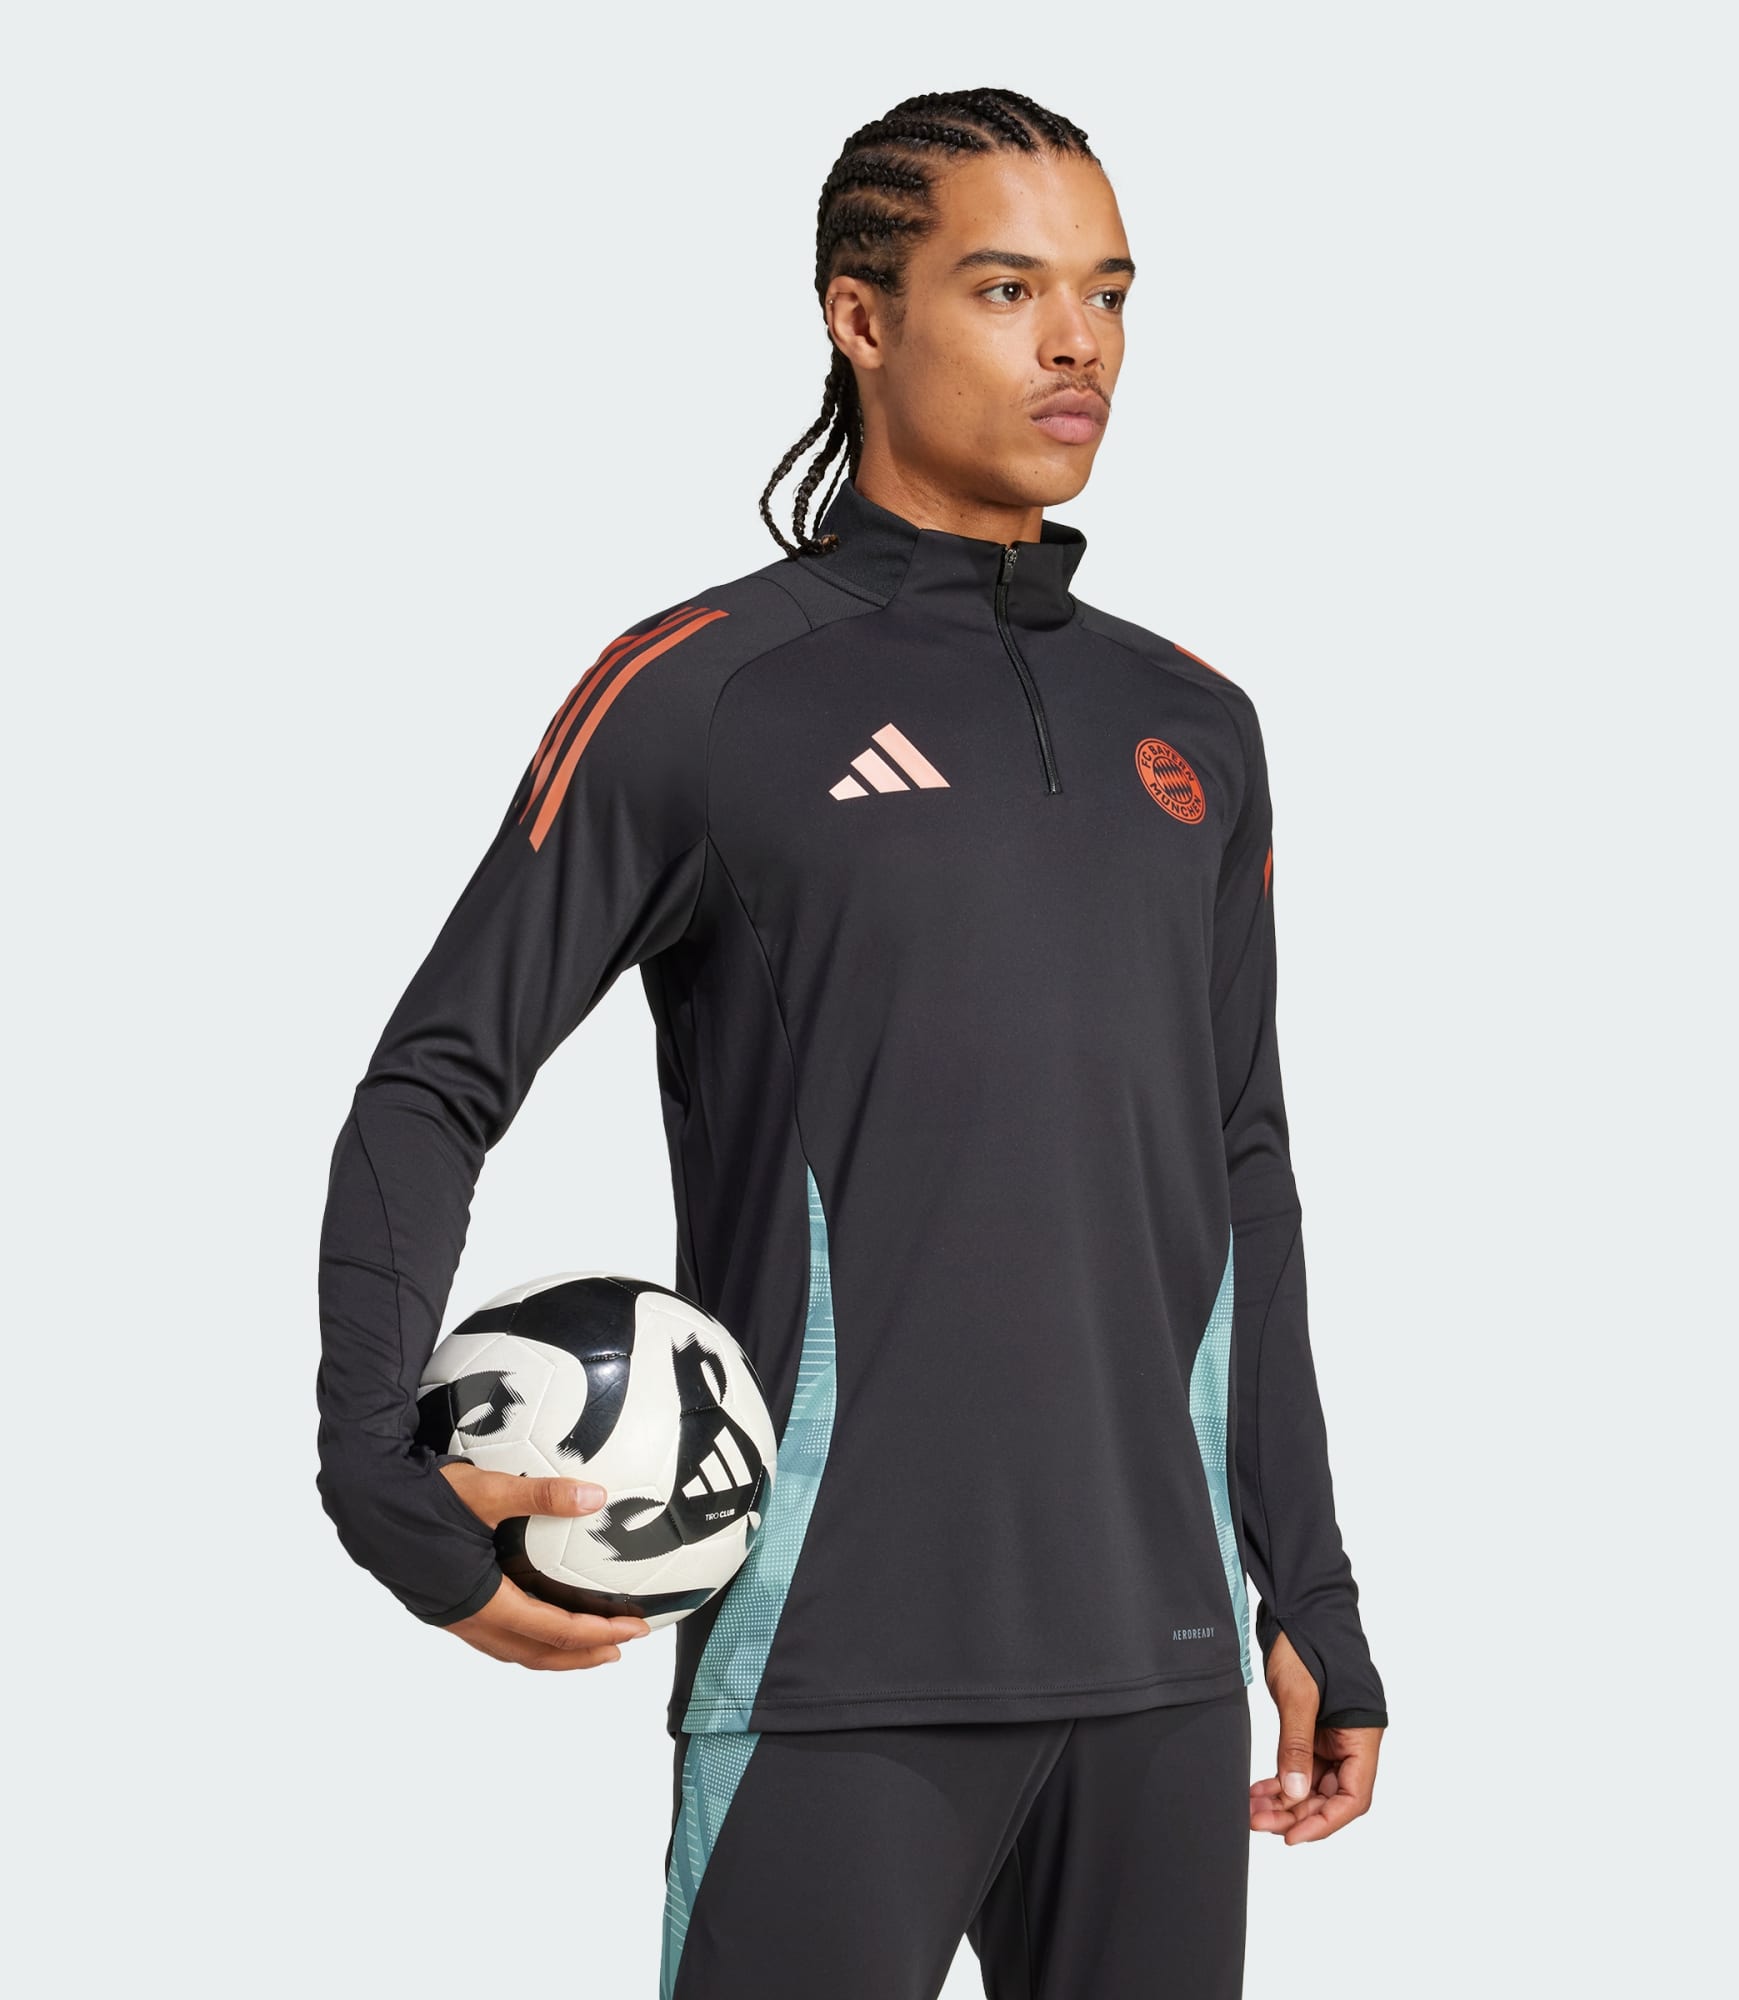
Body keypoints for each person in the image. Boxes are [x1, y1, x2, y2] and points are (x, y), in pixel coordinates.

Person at [316, 85, 1388, 2000]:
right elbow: (434, 1084)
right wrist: (382, 1481)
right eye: (1008, 288)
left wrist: (1302, 1583)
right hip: (827, 1668)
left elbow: (1242, 1170)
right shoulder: (706, 695)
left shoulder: (1195, 726)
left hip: (1160, 1677)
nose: (1079, 344)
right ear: (860, 315)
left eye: (1110, 293)